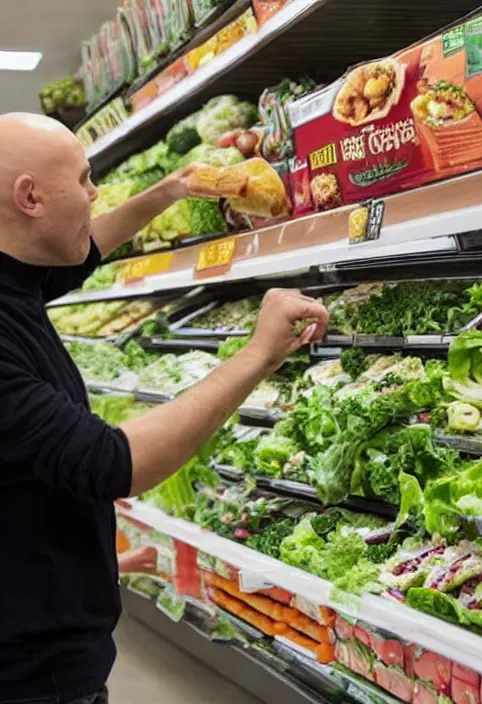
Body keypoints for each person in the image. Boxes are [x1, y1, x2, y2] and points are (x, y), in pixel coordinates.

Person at [0, 113, 329, 704]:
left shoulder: (12, 279)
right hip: (29, 674)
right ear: (30, 197)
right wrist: (258, 354)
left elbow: (81, 249)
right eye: (83, 181)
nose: (95, 193)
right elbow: (111, 464)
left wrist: (173, 189)